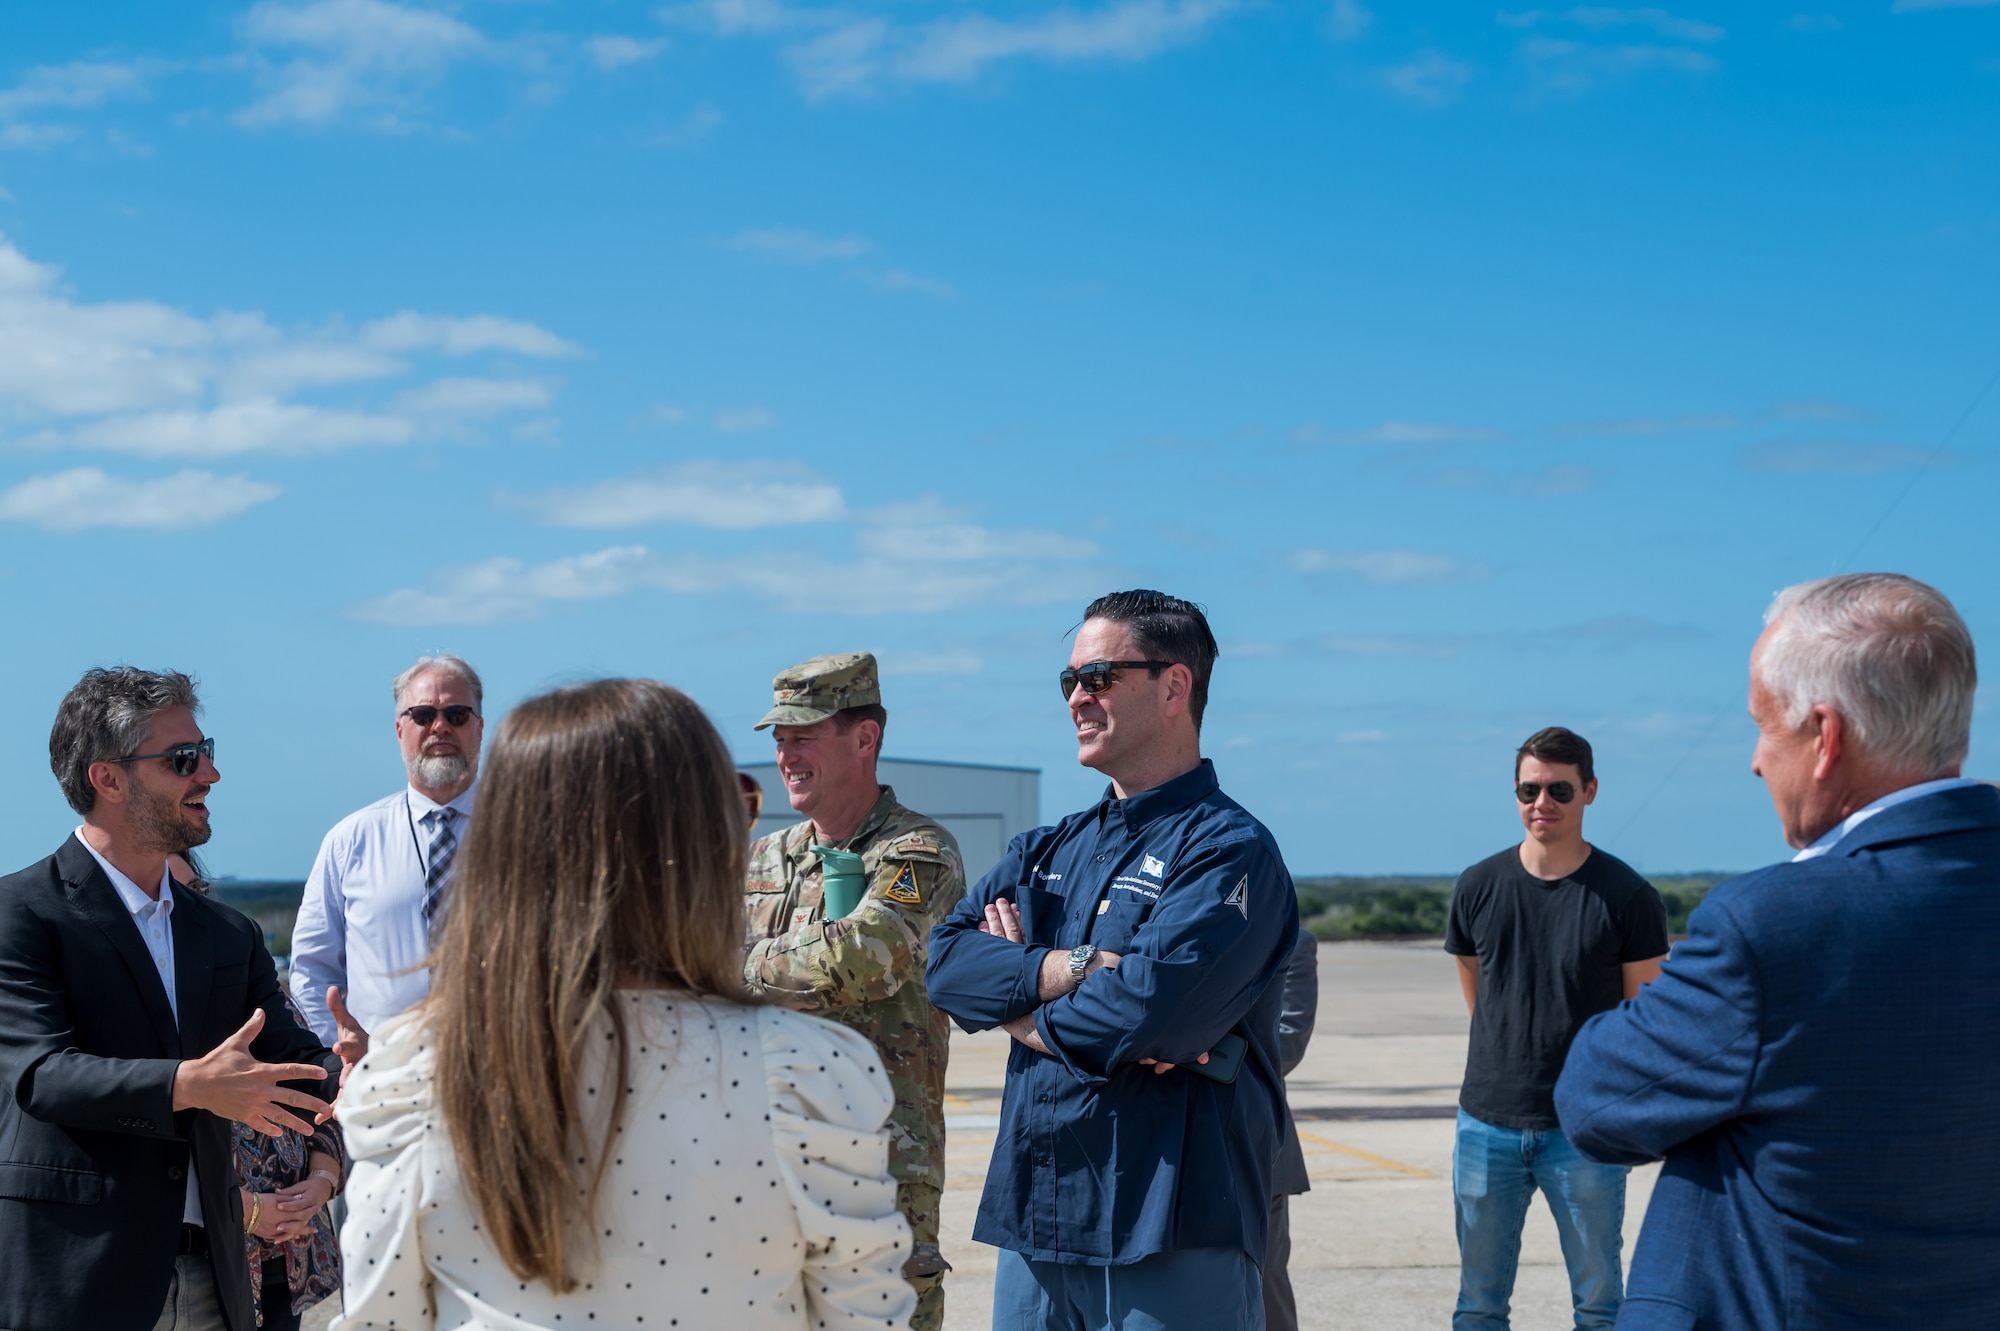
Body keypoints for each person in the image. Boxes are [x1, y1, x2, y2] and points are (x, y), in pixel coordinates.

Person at [335, 678, 917, 1331]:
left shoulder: (416, 1069)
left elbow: (378, 1317)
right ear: (703, 845)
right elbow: (866, 1315)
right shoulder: (806, 1072)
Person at [1555, 573, 2000, 1329]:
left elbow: (1596, 1104)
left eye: (1765, 725)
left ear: (1826, 737)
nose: (1757, 761)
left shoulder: (1777, 923)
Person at [926, 590, 1299, 1331]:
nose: (1077, 697)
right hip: (1036, 1218)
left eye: (1098, 676)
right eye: (1069, 680)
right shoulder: (1047, 848)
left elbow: (1146, 1011)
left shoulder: (1229, 851)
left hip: (1172, 1222)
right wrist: (1069, 969)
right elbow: (945, 964)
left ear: (1174, 686)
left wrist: (1016, 1007)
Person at [0, 668, 340, 1331]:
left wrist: (353, 1063)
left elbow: (296, 1066)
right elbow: (40, 1074)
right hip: (76, 1276)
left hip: (216, 1278)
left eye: (205, 750)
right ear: (109, 779)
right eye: (184, 758)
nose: (209, 773)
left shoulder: (225, 932)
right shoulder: (20, 912)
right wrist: (188, 1084)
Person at [740, 652, 968, 1331]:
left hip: (880, 1165)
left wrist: (733, 966)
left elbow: (867, 954)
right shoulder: (763, 857)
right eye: (779, 738)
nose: (785, 753)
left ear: (864, 738)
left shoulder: (919, 851)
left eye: (803, 733)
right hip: (765, 1159)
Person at [1443, 726, 1667, 1330]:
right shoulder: (1478, 886)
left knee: (1600, 1307)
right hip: (1486, 1122)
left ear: (1590, 791)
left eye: (1559, 790)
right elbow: (1477, 988)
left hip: (1585, 1130)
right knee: (1478, 1308)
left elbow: (1640, 1019)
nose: (1542, 803)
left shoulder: (1627, 896)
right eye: (1529, 789)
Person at [173, 853, 348, 1331]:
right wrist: (249, 1212)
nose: (187, 904)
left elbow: (317, 1092)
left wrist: (321, 1183)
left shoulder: (261, 993)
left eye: (198, 890)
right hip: (213, 1256)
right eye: (170, 893)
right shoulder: (159, 1012)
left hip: (290, 1251)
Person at [289, 655, 484, 1069]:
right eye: (423, 714)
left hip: (505, 1083)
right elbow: (311, 970)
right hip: (383, 1088)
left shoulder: (529, 835)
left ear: (479, 727)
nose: (440, 726)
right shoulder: (350, 841)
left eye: (457, 714)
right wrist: (344, 1059)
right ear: (399, 729)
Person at [1265, 924, 1319, 1331]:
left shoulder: (1291, 940)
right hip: (1156, 1149)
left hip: (1256, 1151)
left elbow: (1287, 1042)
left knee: (1266, 1292)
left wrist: (1180, 1049)